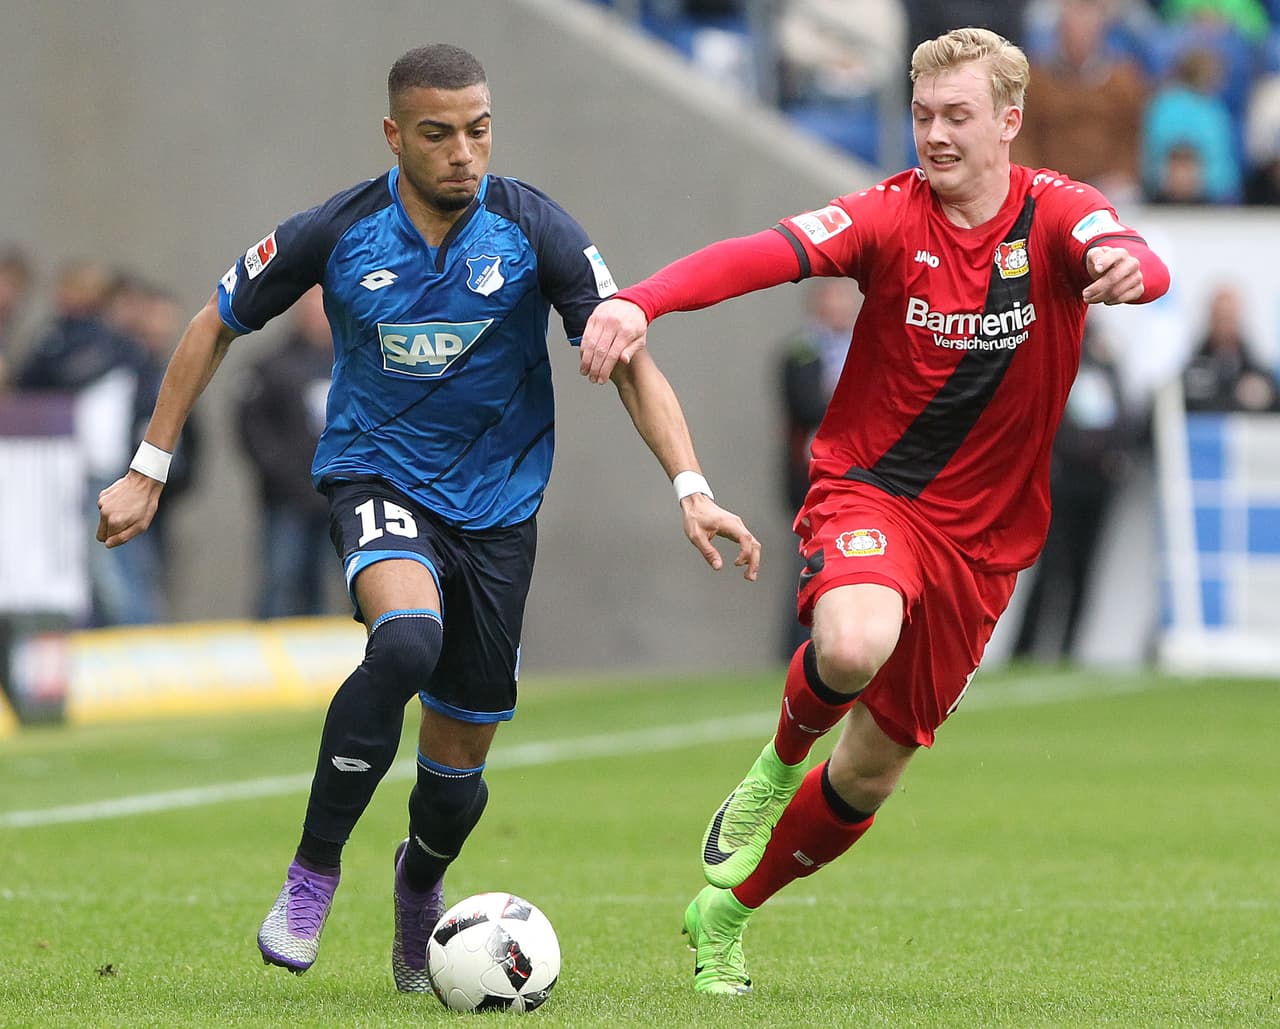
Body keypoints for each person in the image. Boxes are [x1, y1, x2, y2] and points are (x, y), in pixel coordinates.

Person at [95, 43, 760, 992]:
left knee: (456, 771)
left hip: (497, 513)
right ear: (395, 134)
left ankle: (420, 885)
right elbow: (213, 323)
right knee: (405, 640)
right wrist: (147, 469)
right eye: (439, 133)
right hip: (377, 479)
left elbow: (628, 354)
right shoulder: (338, 230)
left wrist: (692, 487)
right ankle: (312, 871)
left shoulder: (536, 230)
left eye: (479, 130)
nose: (463, 152)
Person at [580, 26, 1170, 995]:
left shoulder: (1058, 214)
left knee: (869, 774)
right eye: (921, 114)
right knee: (851, 645)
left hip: (982, 542)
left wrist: (1130, 275)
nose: (932, 135)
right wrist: (641, 302)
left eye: (955, 117)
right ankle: (770, 772)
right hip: (873, 492)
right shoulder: (886, 217)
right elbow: (759, 254)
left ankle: (724, 912)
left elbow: (1131, 254)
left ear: (1008, 122)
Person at [1010, 320, 1137, 661]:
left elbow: (1122, 411)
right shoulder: (1048, 338)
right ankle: (1024, 648)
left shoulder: (1108, 353)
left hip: (1097, 479)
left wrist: (1117, 457)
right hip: (1058, 476)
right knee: (1049, 566)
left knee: (1084, 568)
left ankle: (1068, 649)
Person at [235, 285, 341, 619]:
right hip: (286, 499)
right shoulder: (272, 366)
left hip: (339, 496)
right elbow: (252, 428)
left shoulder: (352, 362)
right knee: (281, 578)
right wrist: (284, 474)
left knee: (331, 582)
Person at [777, 277, 860, 658]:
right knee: (810, 564)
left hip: (859, 475)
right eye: (835, 300)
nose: (843, 308)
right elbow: (806, 406)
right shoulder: (801, 352)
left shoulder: (860, 348)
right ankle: (797, 650)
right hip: (810, 476)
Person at [1181, 284, 1279, 411]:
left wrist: (1266, 396)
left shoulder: (1258, 373)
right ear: (1211, 318)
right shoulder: (1190, 368)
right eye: (1220, 317)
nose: (1225, 325)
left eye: (1229, 318)